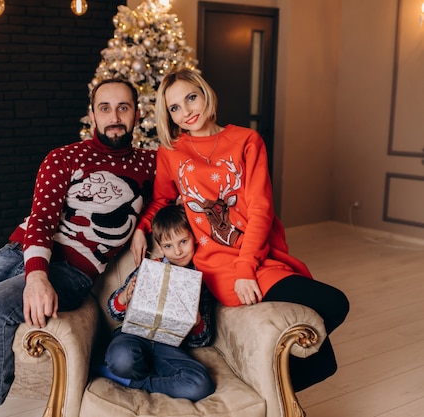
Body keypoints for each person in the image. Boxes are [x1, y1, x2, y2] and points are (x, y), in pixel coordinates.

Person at [0, 78, 156, 417]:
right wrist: (35, 277)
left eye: (124, 107)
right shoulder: (64, 157)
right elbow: (42, 220)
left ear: (136, 114)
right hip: (17, 253)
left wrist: (143, 223)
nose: (114, 116)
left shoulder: (149, 165)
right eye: (105, 108)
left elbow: (179, 190)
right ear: (92, 115)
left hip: (72, 272)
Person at [130, 68, 349, 392]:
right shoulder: (172, 152)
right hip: (218, 264)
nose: (187, 111)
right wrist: (141, 227)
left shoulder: (247, 140)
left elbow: (261, 208)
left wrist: (248, 266)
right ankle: (271, 392)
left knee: (324, 349)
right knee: (334, 304)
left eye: (191, 97)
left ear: (206, 94)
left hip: (256, 256)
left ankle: (271, 391)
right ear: (169, 115)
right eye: (174, 107)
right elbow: (162, 199)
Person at [98, 204, 216, 402]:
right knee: (121, 359)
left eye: (183, 242)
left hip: (170, 344)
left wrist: (195, 321)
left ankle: (134, 383)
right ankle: (147, 375)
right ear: (160, 247)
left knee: (200, 384)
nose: (178, 252)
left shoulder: (199, 281)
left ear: (194, 238)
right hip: (133, 335)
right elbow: (113, 310)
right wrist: (125, 296)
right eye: (169, 246)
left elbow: (204, 340)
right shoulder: (150, 267)